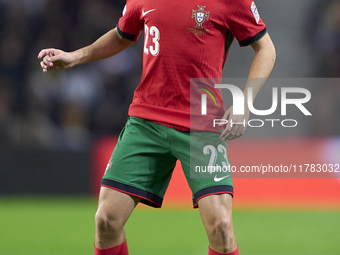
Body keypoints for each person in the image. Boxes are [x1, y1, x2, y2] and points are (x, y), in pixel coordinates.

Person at [38, 0, 276, 254]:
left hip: (201, 125)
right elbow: (122, 36)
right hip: (146, 123)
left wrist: (244, 103)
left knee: (221, 226)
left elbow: (266, 49)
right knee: (106, 220)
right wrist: (74, 57)